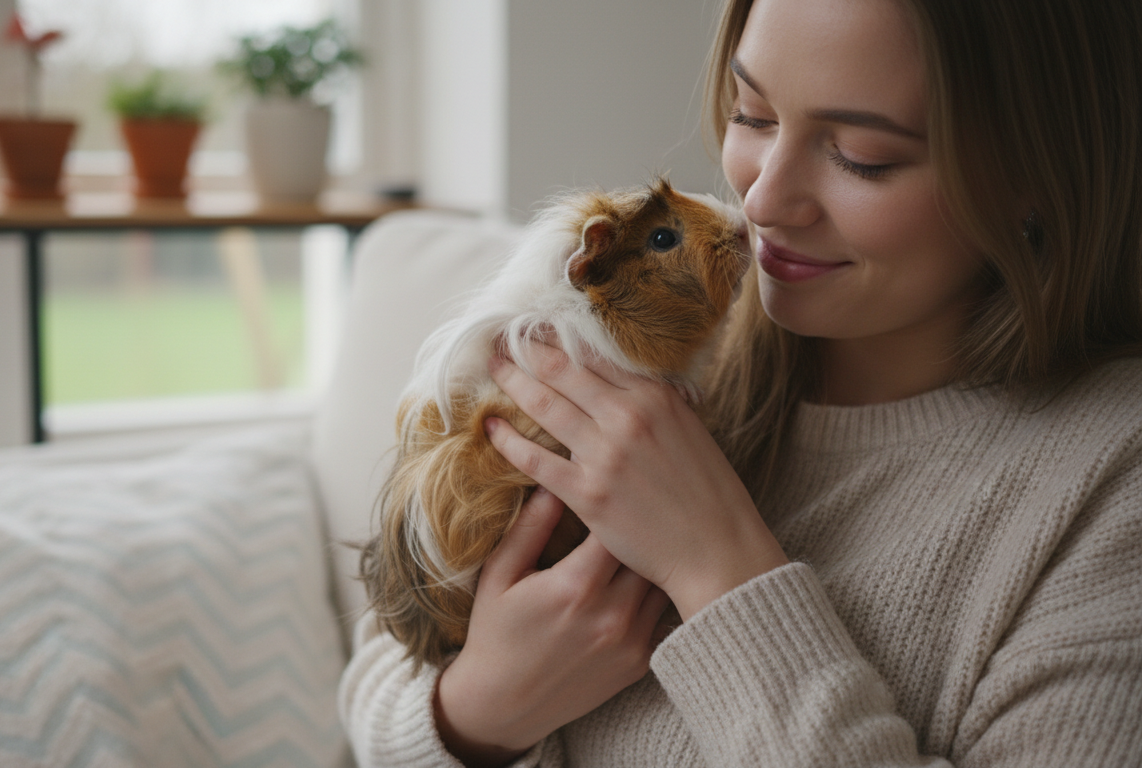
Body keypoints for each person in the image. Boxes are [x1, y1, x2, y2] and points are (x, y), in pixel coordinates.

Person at [339, 0, 1142, 764]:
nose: (759, 199)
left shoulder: (1111, 484)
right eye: (751, 114)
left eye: (863, 157)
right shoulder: (651, 356)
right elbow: (382, 672)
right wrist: (483, 708)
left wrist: (715, 566)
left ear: (1041, 171)